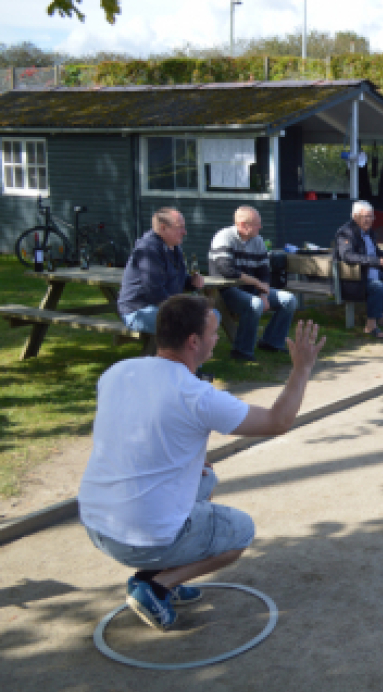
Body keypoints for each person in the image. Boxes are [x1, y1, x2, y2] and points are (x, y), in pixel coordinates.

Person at [79, 294, 326, 631]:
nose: (218, 339)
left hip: (96, 523)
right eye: (214, 333)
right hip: (140, 536)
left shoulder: (116, 372)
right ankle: (155, 585)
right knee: (241, 531)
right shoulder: (195, 395)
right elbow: (277, 420)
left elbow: (136, 431)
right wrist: (302, 369)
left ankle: (163, 573)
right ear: (193, 341)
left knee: (205, 478)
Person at [209, 206, 298, 361]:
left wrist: (264, 293)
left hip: (253, 290)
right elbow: (227, 270)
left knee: (289, 300)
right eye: (257, 224)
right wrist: (256, 283)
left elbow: (264, 272)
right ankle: (242, 351)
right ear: (243, 225)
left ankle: (271, 342)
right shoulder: (223, 237)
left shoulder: (258, 240)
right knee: (255, 304)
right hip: (227, 291)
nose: (261, 227)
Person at [118, 208, 203, 333]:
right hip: (139, 311)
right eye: (180, 227)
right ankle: (178, 352)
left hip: (162, 307)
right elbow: (154, 290)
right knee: (188, 322)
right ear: (163, 228)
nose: (184, 232)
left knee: (211, 315)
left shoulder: (174, 247)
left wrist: (191, 282)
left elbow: (177, 278)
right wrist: (182, 308)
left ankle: (194, 352)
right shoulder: (149, 249)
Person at [335, 201, 383, 339]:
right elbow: (348, 256)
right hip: (353, 281)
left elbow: (377, 252)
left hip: (370, 276)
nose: (370, 220)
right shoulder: (345, 233)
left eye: (372, 216)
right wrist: (375, 261)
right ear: (355, 216)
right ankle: (370, 326)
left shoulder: (369, 233)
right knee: (377, 286)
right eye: (366, 216)